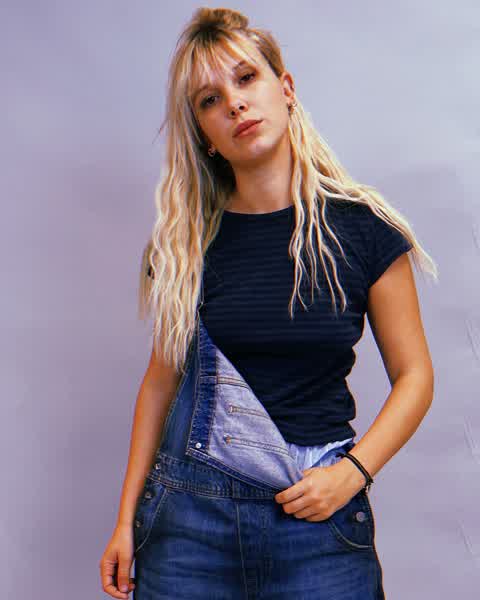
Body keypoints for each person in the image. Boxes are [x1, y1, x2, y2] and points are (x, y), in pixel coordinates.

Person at [99, 7, 436, 599]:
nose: (234, 103)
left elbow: (415, 377)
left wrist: (352, 474)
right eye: (210, 100)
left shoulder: (364, 230)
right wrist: (125, 520)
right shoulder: (186, 247)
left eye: (246, 78)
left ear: (286, 89)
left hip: (317, 522)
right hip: (189, 528)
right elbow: (159, 383)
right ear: (205, 135)